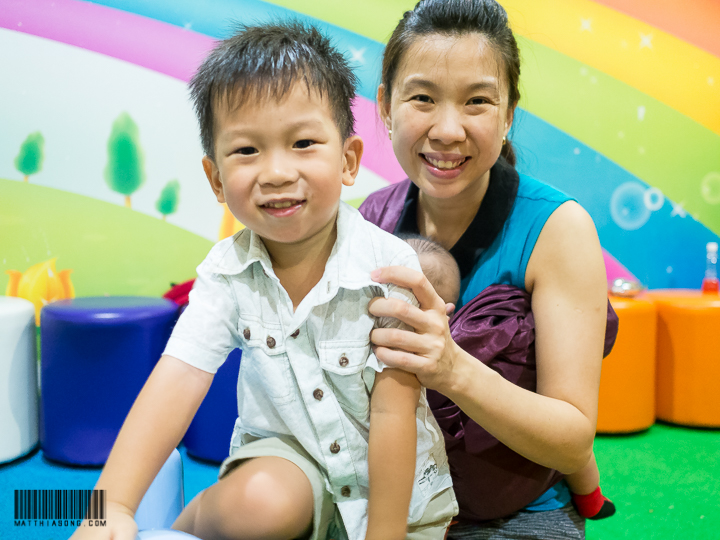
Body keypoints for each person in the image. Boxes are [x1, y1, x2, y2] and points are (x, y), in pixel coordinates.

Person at [70, 22, 456, 540]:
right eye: (247, 151)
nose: (275, 172)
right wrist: (110, 509)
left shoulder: (389, 268)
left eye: (302, 143)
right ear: (215, 179)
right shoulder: (227, 272)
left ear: (348, 161)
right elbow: (177, 378)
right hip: (285, 470)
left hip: (394, 503)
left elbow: (394, 411)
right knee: (261, 503)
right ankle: (185, 526)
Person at [358, 0, 619, 537]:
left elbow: (572, 438)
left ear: (508, 114)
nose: (448, 130)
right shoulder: (371, 220)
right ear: (386, 105)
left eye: (477, 101)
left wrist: (452, 368)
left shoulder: (558, 229)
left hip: (516, 512)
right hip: (386, 503)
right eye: (423, 98)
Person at [404, 235, 616, 520]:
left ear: (447, 313)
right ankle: (591, 496)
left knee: (575, 450)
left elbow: (574, 444)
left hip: (535, 438)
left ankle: (590, 495)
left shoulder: (469, 341)